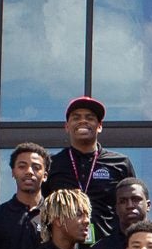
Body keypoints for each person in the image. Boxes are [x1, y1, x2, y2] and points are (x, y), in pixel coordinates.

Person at [44, 95, 135, 240]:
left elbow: (131, 204)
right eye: (76, 117)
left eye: (90, 117)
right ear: (67, 126)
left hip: (108, 248)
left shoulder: (120, 163)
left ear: (99, 126)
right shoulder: (51, 164)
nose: (83, 121)